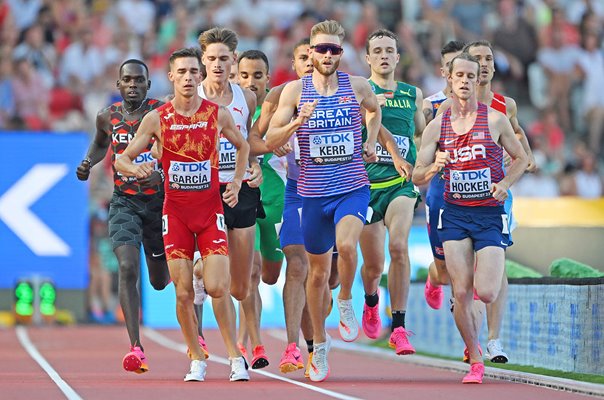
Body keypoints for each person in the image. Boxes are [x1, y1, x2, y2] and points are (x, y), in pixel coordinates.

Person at [115, 47, 250, 382]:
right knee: (183, 291)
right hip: (174, 214)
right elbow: (121, 160)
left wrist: (235, 181)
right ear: (171, 77)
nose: (189, 77)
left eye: (194, 72)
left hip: (209, 211)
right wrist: (138, 168)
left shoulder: (216, 114)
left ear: (200, 76)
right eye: (183, 72)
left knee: (219, 287)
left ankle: (235, 356)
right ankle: (197, 358)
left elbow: (243, 146)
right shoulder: (156, 119)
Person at [266, 20, 381, 382]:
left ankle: (346, 299)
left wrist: (370, 140)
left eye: (334, 50)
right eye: (321, 49)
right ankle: (318, 346)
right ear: (310, 53)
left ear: (341, 53)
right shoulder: (294, 93)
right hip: (312, 195)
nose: (328, 55)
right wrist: (296, 124)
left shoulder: (357, 86)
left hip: (351, 187)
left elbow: (375, 111)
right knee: (316, 275)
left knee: (347, 246)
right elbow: (270, 138)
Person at [413, 52, 528, 384]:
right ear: (448, 80)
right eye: (458, 75)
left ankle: (482, 337)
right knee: (460, 291)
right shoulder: (438, 125)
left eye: (470, 76)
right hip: (455, 215)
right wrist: (434, 167)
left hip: (489, 214)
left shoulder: (495, 120)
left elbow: (521, 158)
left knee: (487, 291)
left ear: (479, 80)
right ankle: (475, 358)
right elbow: (417, 175)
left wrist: (505, 184)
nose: (464, 81)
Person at [76, 59, 170, 374]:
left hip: (158, 205)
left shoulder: (161, 114)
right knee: (127, 266)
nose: (133, 85)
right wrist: (88, 162)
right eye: (127, 80)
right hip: (124, 203)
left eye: (139, 80)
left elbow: (172, 150)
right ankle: (136, 347)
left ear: (148, 85)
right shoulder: (107, 117)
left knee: (159, 282)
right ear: (118, 85)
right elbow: (100, 145)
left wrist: (160, 172)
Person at [196, 27, 269, 369]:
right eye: (211, 59)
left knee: (241, 286)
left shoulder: (246, 98)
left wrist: (255, 167)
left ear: (234, 61)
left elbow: (249, 143)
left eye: (224, 58)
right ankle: (231, 350)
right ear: (202, 62)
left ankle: (199, 269)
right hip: (204, 194)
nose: (217, 64)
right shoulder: (189, 97)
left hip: (240, 192)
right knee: (219, 282)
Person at [249, 38, 316, 376]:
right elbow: (252, 141)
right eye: (303, 57)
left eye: (258, 75)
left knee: (316, 278)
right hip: (273, 200)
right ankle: (261, 345)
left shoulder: (342, 95)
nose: (251, 83)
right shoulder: (280, 99)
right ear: (294, 63)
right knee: (269, 272)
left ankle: (313, 342)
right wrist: (269, 146)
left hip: (321, 195)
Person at [358, 29, 423, 355]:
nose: (384, 56)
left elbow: (425, 134)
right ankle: (371, 300)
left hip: (400, 184)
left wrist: (426, 161)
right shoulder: (358, 90)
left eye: (389, 51)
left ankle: (398, 326)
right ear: (368, 58)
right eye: (378, 51)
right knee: (373, 265)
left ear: (398, 57)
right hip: (365, 186)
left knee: (398, 246)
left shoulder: (413, 94)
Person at [234, 49, 283, 359]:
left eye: (257, 75)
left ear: (268, 78)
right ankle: (253, 342)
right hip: (246, 195)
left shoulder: (281, 105)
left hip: (277, 199)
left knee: (269, 275)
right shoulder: (231, 108)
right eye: (244, 75)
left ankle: (246, 337)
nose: (250, 82)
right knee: (249, 272)